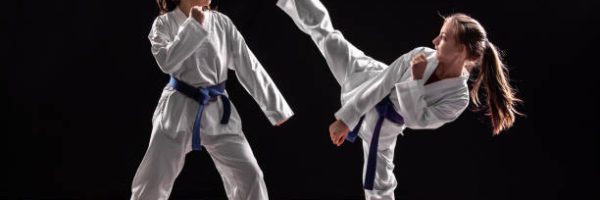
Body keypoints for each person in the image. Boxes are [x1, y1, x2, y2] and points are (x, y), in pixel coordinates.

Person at [277, 0, 521, 199]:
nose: (435, 41)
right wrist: (347, 118)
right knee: (327, 36)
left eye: (444, 38)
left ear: (462, 51)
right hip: (364, 77)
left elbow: (417, 120)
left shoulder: (457, 98)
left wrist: (415, 82)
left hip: (386, 129)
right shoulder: (420, 54)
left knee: (380, 190)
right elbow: (382, 83)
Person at [131, 0, 294, 199]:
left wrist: (274, 107)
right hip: (176, 110)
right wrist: (192, 26)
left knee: (250, 175)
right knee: (153, 179)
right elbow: (167, 61)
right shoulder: (164, 24)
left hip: (217, 109)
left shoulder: (222, 23)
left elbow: (247, 63)